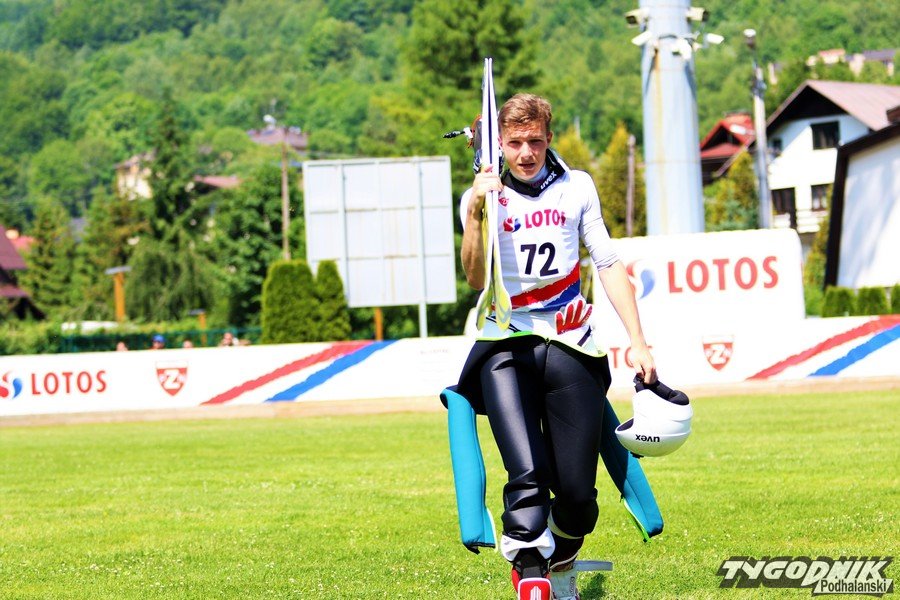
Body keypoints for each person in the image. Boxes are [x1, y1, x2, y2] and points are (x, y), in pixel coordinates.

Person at [455, 93, 657, 599]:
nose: (525, 152)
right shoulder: (482, 195)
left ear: (548, 138)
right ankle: (530, 571)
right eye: (515, 143)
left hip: (571, 339)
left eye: (535, 141)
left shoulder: (577, 186)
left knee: (577, 496)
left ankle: (561, 559)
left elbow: (607, 263)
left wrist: (638, 341)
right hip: (505, 341)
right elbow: (475, 276)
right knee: (527, 475)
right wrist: (476, 212)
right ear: (499, 144)